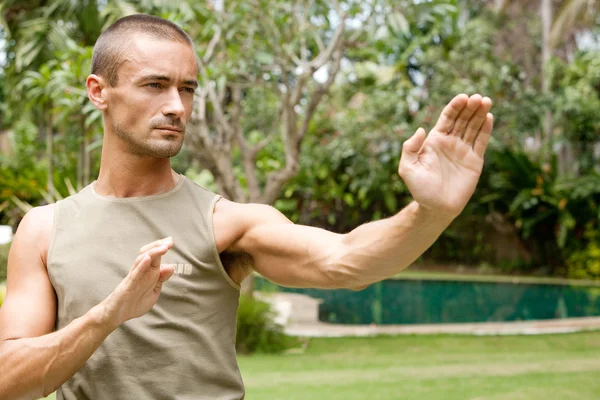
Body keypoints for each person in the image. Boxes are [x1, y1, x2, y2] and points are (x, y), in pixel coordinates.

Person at [0, 13, 494, 400]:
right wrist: (108, 314)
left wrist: (430, 212)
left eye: (187, 88)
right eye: (155, 85)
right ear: (98, 92)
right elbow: (9, 380)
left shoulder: (225, 223)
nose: (177, 105)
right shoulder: (44, 230)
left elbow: (347, 259)